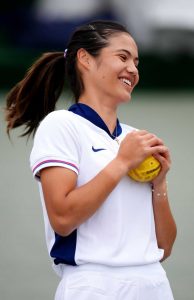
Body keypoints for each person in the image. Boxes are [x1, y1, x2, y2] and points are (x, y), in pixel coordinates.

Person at [5, 20, 177, 300]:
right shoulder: (61, 125)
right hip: (94, 285)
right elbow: (63, 218)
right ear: (85, 58)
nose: (133, 69)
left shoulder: (135, 140)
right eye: (122, 57)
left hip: (154, 283)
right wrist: (121, 163)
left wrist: (160, 183)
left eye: (136, 61)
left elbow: (164, 246)